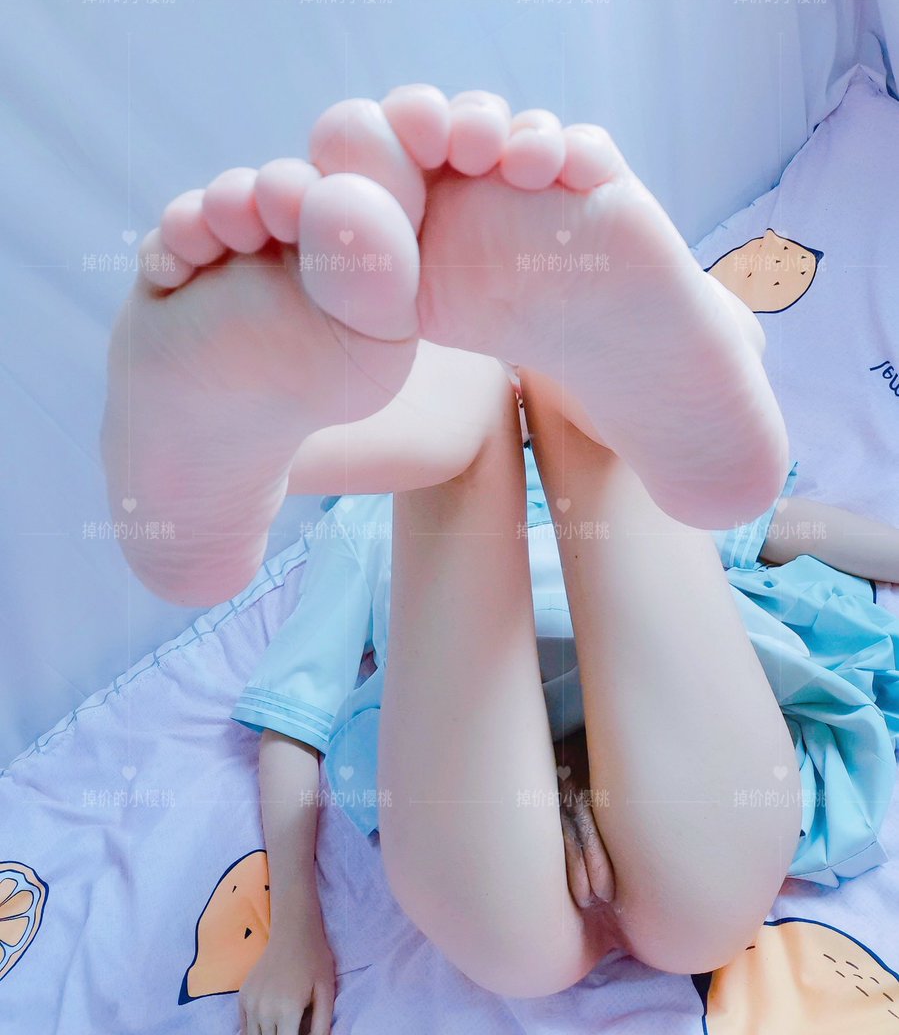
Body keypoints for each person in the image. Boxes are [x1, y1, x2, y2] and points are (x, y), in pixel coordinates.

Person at [101, 85, 825, 1024]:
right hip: (514, 803)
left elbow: (779, 524)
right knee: (491, 432)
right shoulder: (371, 522)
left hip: (671, 757)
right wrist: (294, 931)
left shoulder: (669, 451)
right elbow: (292, 721)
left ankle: (476, 395)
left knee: (581, 438)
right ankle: (268, 437)